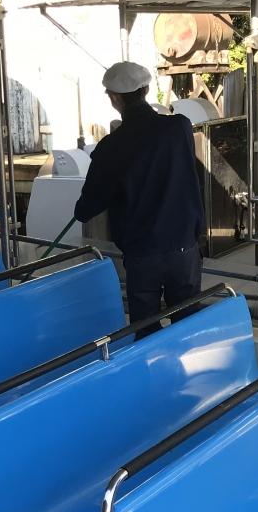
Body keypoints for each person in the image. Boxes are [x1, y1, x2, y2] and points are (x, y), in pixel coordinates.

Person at [74, 61, 204, 332]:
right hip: (184, 247)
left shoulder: (111, 147)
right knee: (188, 328)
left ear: (114, 98)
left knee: (145, 329)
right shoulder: (180, 127)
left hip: (142, 254)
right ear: (145, 90)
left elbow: (86, 209)